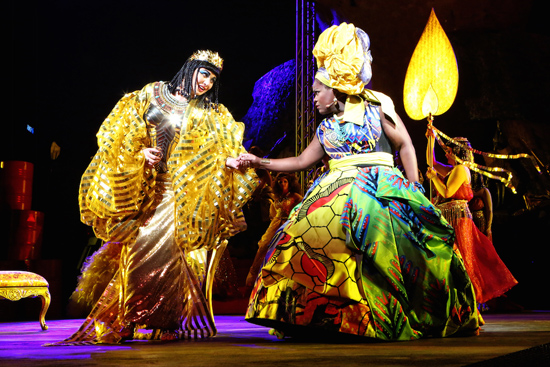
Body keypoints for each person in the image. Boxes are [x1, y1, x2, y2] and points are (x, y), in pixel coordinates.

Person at [238, 23, 480, 341]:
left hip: (381, 186)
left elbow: (405, 144)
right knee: (314, 248)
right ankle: (326, 319)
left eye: (320, 84)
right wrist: (258, 161)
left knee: (395, 252)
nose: (314, 94)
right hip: (335, 189)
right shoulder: (328, 126)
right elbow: (299, 162)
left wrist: (413, 185)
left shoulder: (377, 105)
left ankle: (389, 316)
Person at [47, 50, 257, 345]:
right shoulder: (150, 95)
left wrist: (231, 162)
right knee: (135, 256)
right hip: (144, 189)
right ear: (190, 68)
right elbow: (116, 136)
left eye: (213, 78)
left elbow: (220, 152)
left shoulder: (211, 114)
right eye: (204, 73)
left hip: (181, 195)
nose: (207, 82)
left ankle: (165, 321)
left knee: (170, 258)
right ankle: (128, 319)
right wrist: (139, 154)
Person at [425, 133, 517, 305]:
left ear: (456, 153)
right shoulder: (453, 170)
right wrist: (430, 138)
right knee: (454, 261)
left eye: (448, 151)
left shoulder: (461, 170)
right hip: (450, 219)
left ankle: (469, 304)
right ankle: (461, 304)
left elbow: (447, 192)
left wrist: (433, 178)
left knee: (464, 261)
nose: (446, 154)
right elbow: (432, 163)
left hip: (459, 221)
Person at [245, 172, 303, 287]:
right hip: (276, 224)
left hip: (289, 224)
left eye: (285, 182)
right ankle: (255, 275)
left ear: (290, 183)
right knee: (264, 246)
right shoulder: (277, 197)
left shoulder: (295, 196)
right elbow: (272, 213)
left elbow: (302, 209)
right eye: (280, 182)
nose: (282, 184)